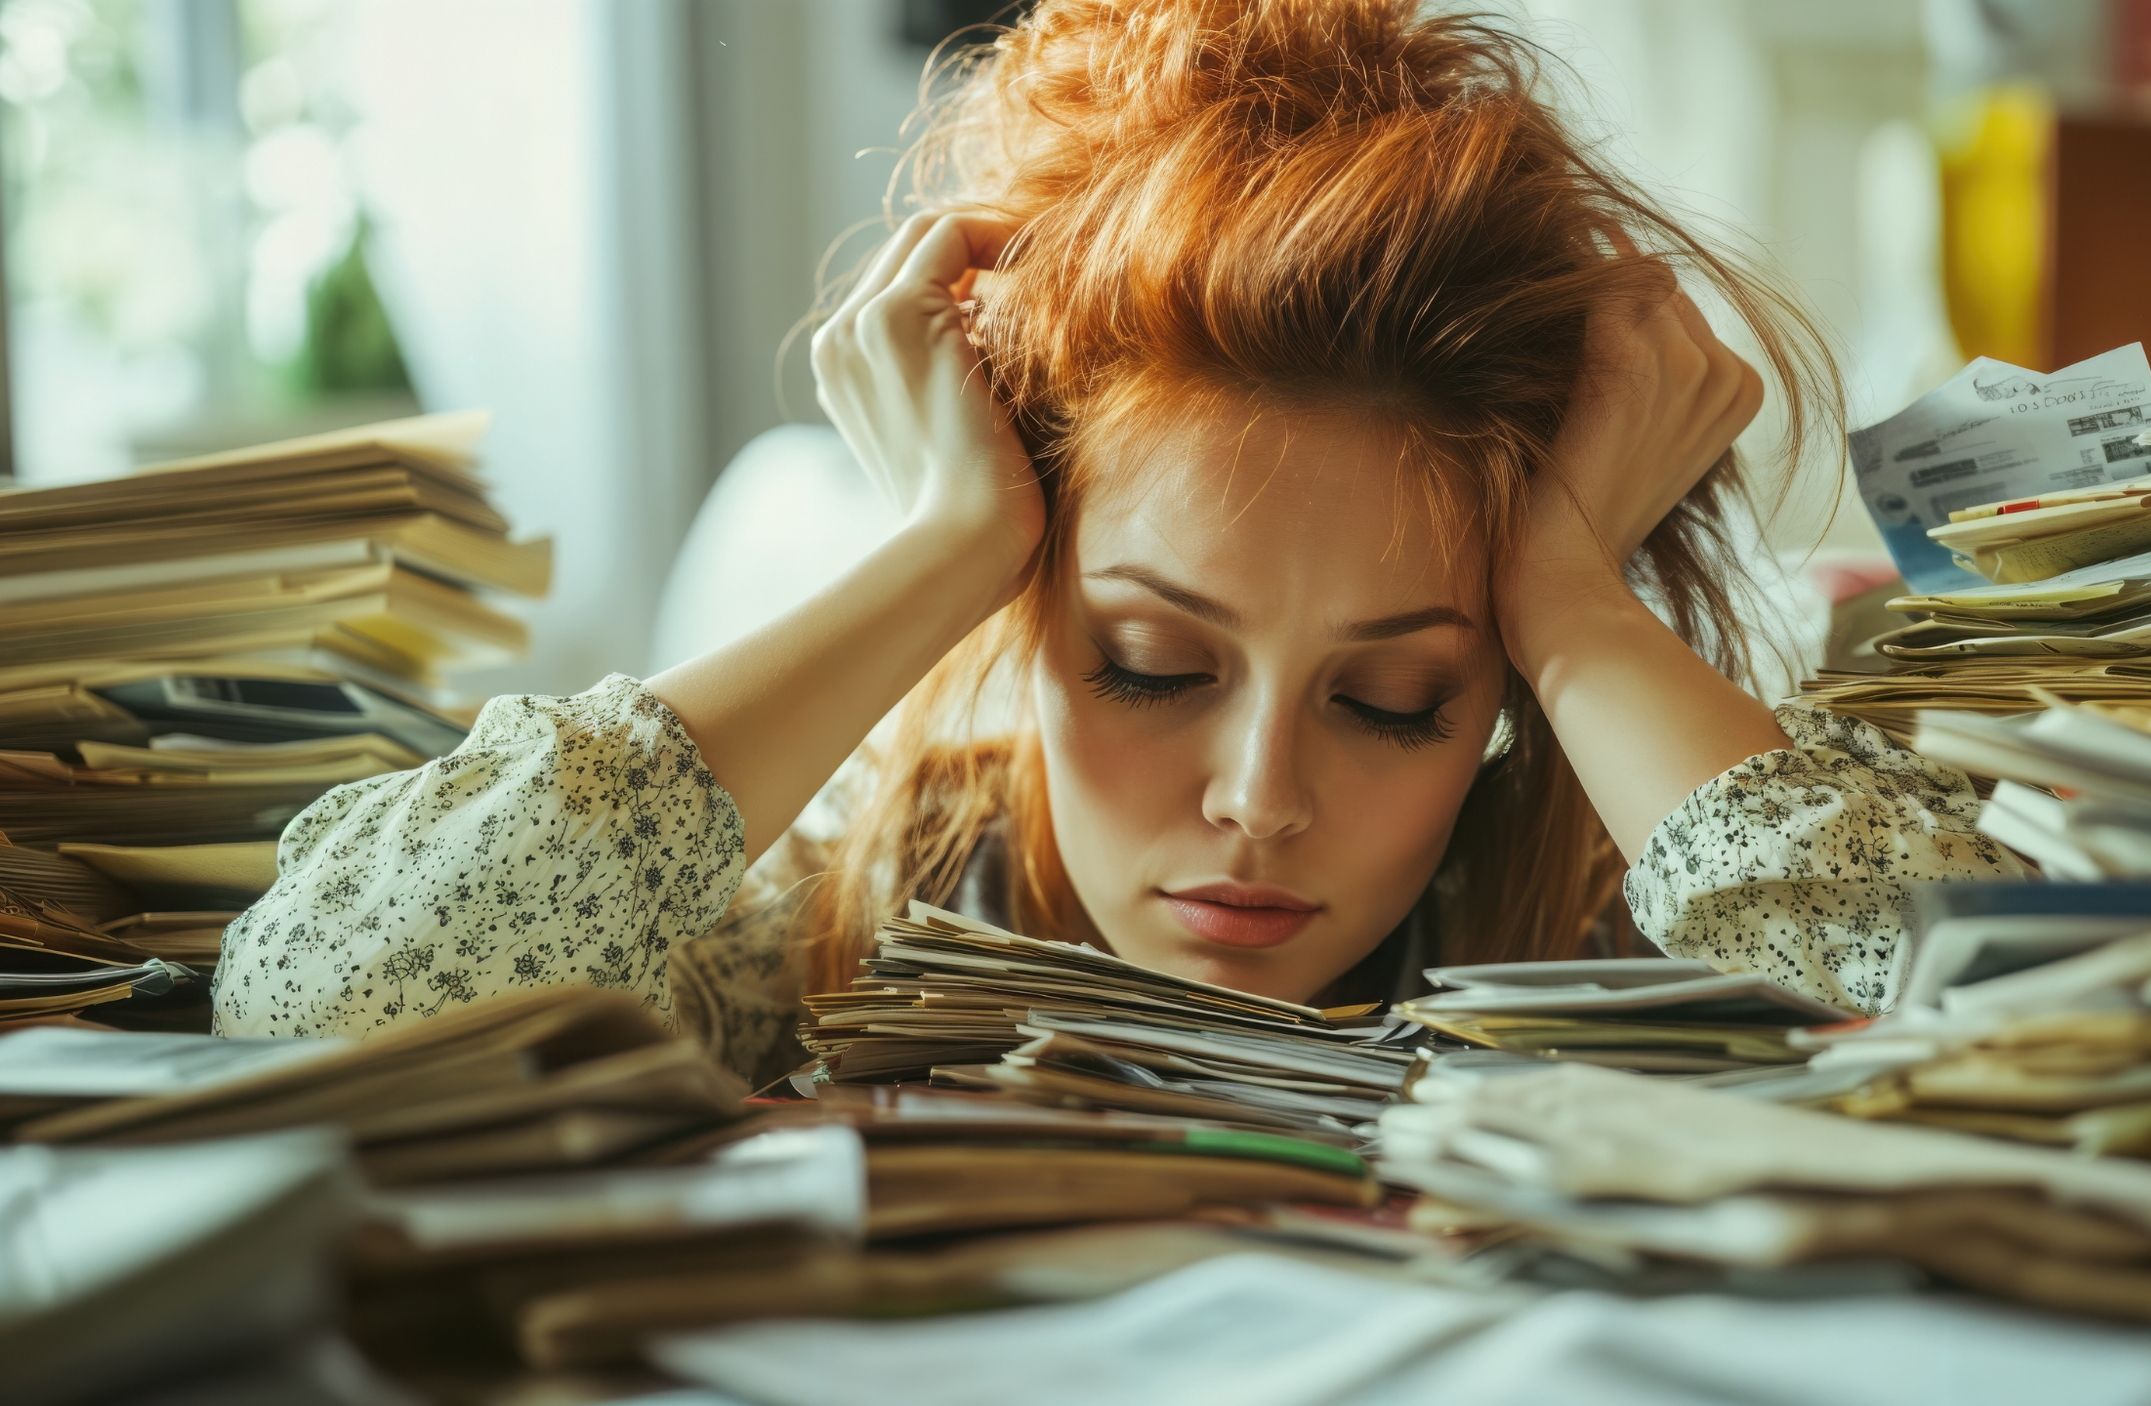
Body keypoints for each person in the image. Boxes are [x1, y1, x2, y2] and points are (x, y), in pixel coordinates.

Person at [213, 0, 2022, 1083]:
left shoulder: (1628, 900)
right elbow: (318, 1006)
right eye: (1149, 663)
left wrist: (1575, 608)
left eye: (1397, 695)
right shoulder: (855, 920)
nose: (1257, 798)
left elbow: (2029, 1046)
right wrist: (935, 553)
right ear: (1034, 601)